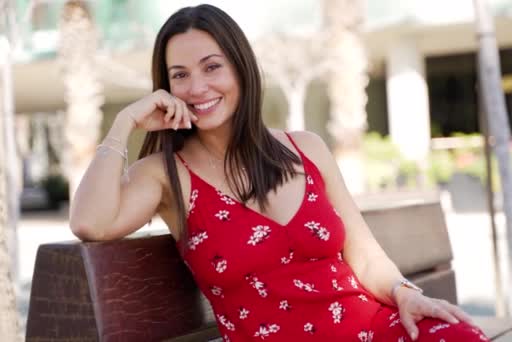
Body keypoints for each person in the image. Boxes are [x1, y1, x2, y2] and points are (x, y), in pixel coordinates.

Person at [70, 4, 488, 342]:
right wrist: (124, 123)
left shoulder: (304, 148)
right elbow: (90, 222)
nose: (197, 88)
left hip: (372, 329)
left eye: (212, 67)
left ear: (241, 68)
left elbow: (364, 254)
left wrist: (403, 293)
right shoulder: (166, 174)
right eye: (180, 75)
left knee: (459, 336)